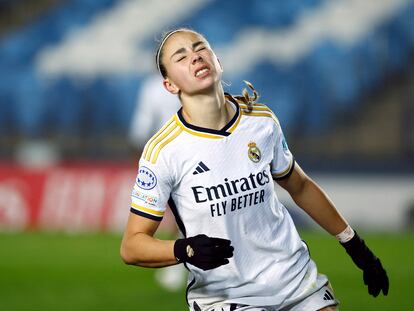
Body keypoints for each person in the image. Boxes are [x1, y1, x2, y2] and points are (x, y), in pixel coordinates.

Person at [120, 28, 389, 311]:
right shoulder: (163, 151)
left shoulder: (260, 120)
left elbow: (300, 186)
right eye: (181, 56)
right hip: (226, 297)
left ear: (217, 60)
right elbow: (132, 246)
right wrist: (184, 249)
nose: (195, 57)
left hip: (294, 281)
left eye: (200, 48)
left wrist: (354, 245)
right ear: (170, 86)